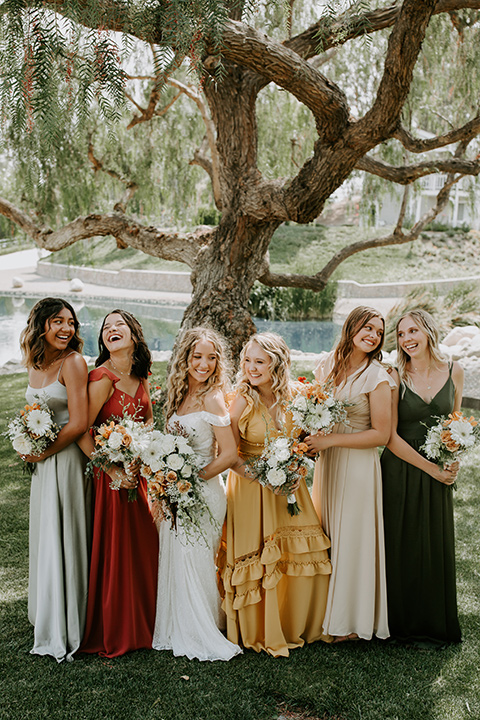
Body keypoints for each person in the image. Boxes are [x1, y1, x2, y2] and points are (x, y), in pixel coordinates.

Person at [218, 332, 332, 657]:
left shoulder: (297, 395)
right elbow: (227, 452)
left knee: (297, 554)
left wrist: (300, 467)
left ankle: (294, 623)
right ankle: (257, 629)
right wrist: (258, 476)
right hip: (250, 487)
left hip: (291, 488)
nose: (252, 368)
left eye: (260, 362)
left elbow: (307, 441)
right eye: (248, 361)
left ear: (276, 363)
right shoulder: (241, 397)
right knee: (260, 555)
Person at [305, 306, 395, 642]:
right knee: (327, 532)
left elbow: (381, 435)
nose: (372, 335)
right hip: (328, 464)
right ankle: (322, 610)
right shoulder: (328, 364)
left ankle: (354, 621)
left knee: (353, 540)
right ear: (351, 326)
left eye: (379, 332)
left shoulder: (378, 376)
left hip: (358, 465)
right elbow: (313, 407)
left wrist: (330, 440)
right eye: (368, 327)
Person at [152, 327, 241, 661]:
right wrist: (168, 485)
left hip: (203, 493)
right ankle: (179, 626)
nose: (203, 364)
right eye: (197, 356)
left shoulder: (213, 397)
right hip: (177, 491)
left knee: (196, 559)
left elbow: (229, 453)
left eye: (211, 357)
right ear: (185, 358)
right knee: (177, 556)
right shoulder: (179, 395)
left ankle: (202, 628)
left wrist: (190, 481)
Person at [78, 309, 159, 658]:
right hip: (109, 480)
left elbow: (149, 420)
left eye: (119, 326)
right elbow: (84, 430)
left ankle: (148, 621)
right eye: (106, 328)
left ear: (134, 335)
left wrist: (142, 456)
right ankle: (117, 627)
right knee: (116, 551)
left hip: (136, 474)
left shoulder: (142, 378)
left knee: (143, 546)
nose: (112, 330)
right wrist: (111, 469)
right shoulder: (101, 378)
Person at [381, 308, 463, 646]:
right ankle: (400, 624)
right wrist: (428, 468)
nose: (407, 339)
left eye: (412, 331)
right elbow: (389, 436)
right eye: (401, 335)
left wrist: (454, 461)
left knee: (434, 541)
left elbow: (457, 424)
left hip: (439, 467)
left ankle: (434, 622)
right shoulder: (395, 376)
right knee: (402, 542)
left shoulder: (455, 371)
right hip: (401, 466)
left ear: (428, 331)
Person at [18, 297, 90, 662]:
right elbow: (35, 413)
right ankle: (48, 612)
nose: (66, 329)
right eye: (58, 322)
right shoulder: (35, 364)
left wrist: (41, 452)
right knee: (48, 533)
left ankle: (70, 621)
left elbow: (79, 423)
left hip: (67, 462)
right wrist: (26, 440)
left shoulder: (74, 362)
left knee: (68, 533)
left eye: (71, 323)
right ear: (41, 325)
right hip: (45, 464)